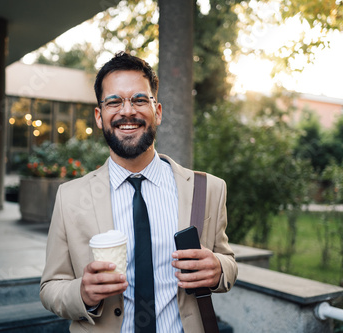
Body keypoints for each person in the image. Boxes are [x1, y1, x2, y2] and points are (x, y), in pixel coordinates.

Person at [40, 51, 238, 333]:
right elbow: (50, 288)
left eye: (139, 99)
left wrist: (219, 269)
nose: (127, 111)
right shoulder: (70, 197)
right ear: (99, 116)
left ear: (157, 111)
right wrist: (82, 293)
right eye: (114, 102)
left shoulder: (208, 189)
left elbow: (228, 262)